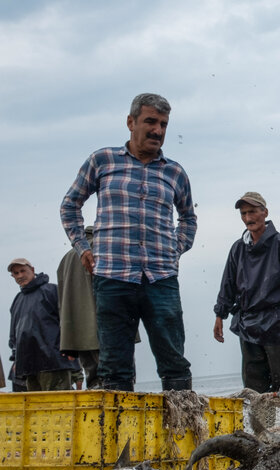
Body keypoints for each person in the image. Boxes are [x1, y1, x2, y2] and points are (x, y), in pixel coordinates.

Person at [60, 93, 197, 392]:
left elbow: (188, 218)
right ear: (131, 122)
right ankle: (119, 436)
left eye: (163, 124)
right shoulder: (102, 161)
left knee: (174, 362)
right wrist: (82, 248)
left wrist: (175, 249)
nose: (157, 131)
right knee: (114, 367)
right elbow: (70, 206)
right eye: (150, 122)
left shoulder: (174, 172)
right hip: (113, 279)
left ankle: (183, 435)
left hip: (161, 279)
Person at [214, 192, 280, 393]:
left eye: (252, 212)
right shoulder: (237, 249)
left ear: (265, 212)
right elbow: (228, 285)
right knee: (254, 391)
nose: (248, 218)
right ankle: (261, 426)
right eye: (243, 213)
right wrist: (219, 314)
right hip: (248, 326)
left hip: (278, 324)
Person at [8, 259, 76, 391]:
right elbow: (13, 334)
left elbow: (68, 320)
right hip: (27, 365)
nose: (20, 276)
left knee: (59, 406)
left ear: (32, 270)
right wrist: (15, 358)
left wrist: (71, 347)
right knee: (36, 408)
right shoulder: (17, 300)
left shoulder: (52, 290)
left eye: (23, 271)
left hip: (54, 361)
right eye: (16, 273)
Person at [57, 225, 101, 389]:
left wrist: (67, 338)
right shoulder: (101, 249)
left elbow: (61, 302)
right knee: (117, 378)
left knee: (93, 381)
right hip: (103, 326)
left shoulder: (66, 258)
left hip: (77, 332)